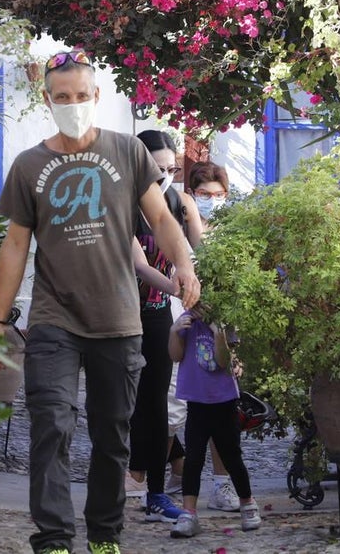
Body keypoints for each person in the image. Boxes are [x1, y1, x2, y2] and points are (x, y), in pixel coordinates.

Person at [0, 49, 202, 554]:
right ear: (47, 100)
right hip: (53, 318)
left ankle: (105, 534)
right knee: (51, 424)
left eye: (81, 95)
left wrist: (185, 265)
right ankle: (54, 538)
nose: (73, 104)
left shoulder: (127, 151)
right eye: (62, 97)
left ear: (97, 96)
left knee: (112, 435)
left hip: (118, 319)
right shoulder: (29, 164)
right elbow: (14, 245)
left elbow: (161, 219)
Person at [126, 130, 201, 524]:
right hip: (121, 314)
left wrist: (185, 278)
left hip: (157, 314)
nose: (165, 177)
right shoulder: (122, 204)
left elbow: (185, 253)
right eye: (157, 169)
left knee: (156, 404)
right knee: (124, 402)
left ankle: (154, 491)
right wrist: (177, 286)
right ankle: (125, 476)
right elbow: (140, 265)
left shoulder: (172, 202)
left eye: (171, 169)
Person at [167, 304, 261, 539]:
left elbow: (222, 360)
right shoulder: (187, 321)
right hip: (196, 402)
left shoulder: (226, 322)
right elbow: (175, 355)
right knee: (193, 458)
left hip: (223, 401)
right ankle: (189, 513)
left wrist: (217, 331)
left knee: (232, 456)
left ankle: (247, 502)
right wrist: (174, 331)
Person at [183, 160, 241, 512]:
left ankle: (223, 484)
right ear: (192, 194)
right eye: (204, 194)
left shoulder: (233, 230)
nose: (211, 200)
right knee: (183, 409)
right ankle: (178, 475)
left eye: (218, 195)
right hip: (187, 323)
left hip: (223, 324)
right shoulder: (182, 226)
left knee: (222, 409)